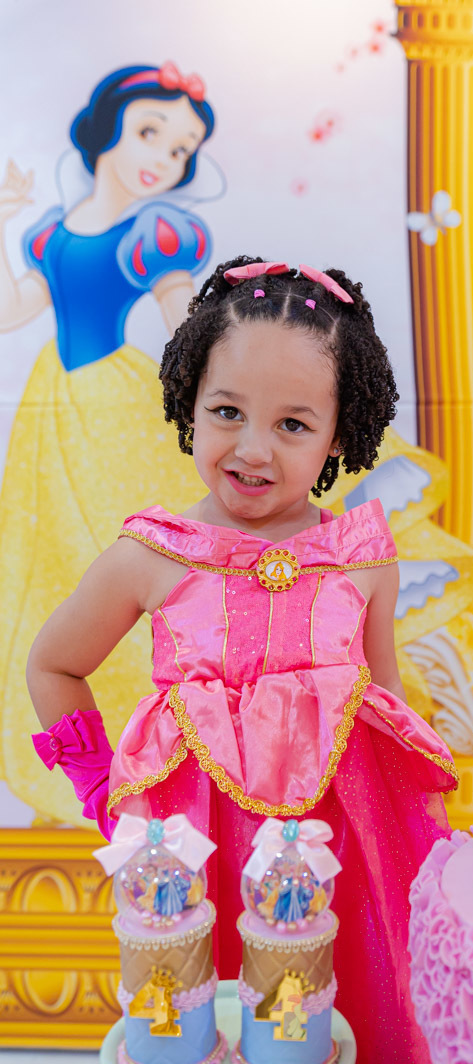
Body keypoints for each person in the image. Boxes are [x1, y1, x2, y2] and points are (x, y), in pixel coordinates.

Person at [28, 256, 458, 1064]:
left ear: (341, 435)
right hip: (192, 856)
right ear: (189, 401)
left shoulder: (362, 556)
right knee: (197, 1028)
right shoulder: (152, 554)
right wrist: (103, 792)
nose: (252, 449)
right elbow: (53, 664)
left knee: (339, 1027)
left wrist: (418, 838)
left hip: (341, 853)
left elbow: (385, 704)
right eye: (227, 411)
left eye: (293, 425)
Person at [0, 64, 218, 820]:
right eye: (150, 131)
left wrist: (228, 391)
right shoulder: (49, 235)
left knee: (135, 554)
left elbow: (186, 327)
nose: (164, 156)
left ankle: (168, 737)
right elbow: (12, 310)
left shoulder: (156, 235)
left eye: (181, 148)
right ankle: (93, 745)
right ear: (105, 131)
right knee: (61, 555)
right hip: (55, 410)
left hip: (118, 411)